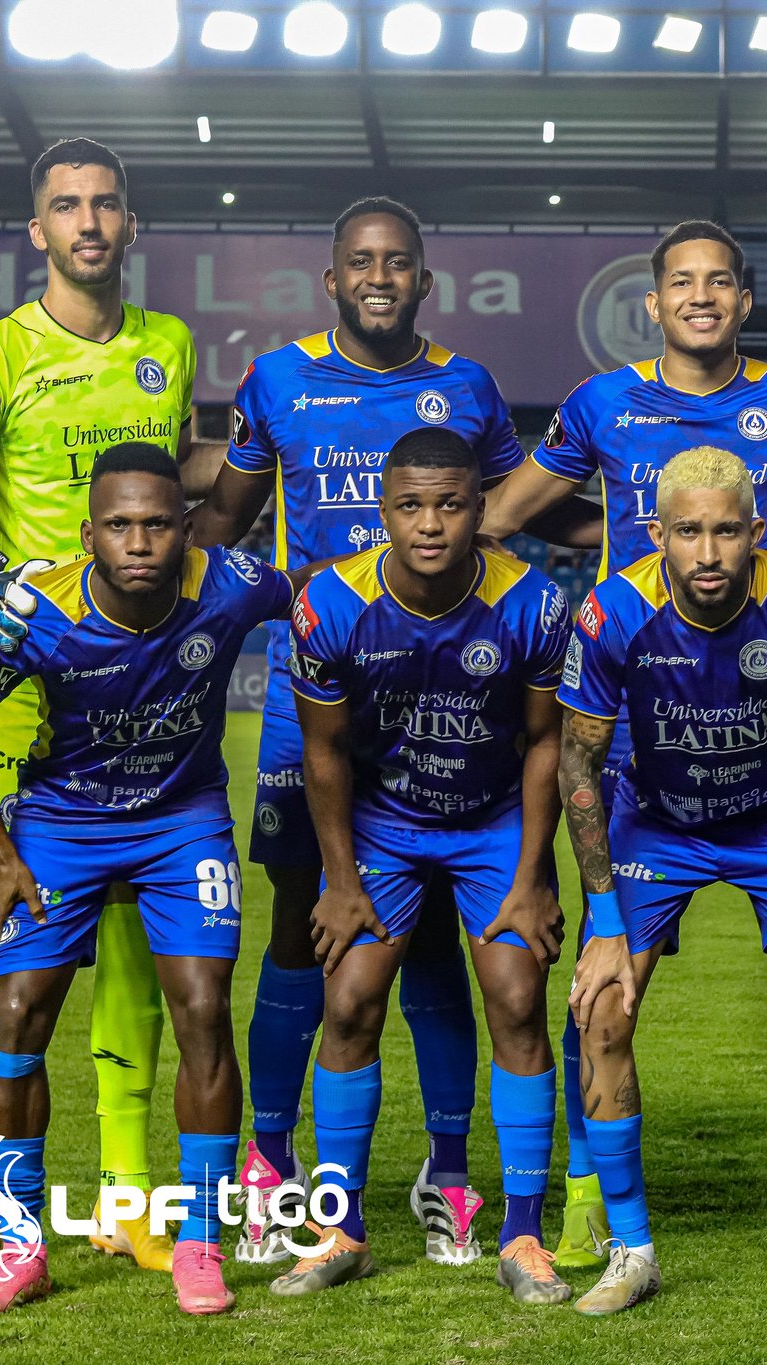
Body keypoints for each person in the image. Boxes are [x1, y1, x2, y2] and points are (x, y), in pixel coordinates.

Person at [478, 221, 767, 1268]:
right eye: (681, 281)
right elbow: (500, 516)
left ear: (743, 301)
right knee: (602, 985)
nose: (701, 296)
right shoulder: (601, 404)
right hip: (645, 731)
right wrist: (610, 538)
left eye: (720, 281)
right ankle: (589, 1191)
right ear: (654, 303)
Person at [188, 197, 591, 1266]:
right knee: (307, 928)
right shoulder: (277, 380)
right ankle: (271, 1160)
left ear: (423, 280)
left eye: (398, 261)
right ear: (333, 280)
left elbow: (519, 505)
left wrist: (633, 529)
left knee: (446, 944)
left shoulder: (467, 386)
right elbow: (223, 521)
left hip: (452, 686)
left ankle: (448, 1170)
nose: (379, 276)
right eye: (360, 261)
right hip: (321, 689)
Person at [0, 137, 222, 1275]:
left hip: (145, 671)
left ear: (130, 223)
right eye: (66, 206)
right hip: (35, 679)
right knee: (20, 943)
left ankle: (132, 1200)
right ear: (37, 228)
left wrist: (266, 452)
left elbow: (179, 479)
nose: (88, 222)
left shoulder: (167, 343)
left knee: (148, 945)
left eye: (105, 203)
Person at [0, 442, 296, 1316]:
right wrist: (1, 852)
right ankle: (20, 1248)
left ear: (186, 529)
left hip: (182, 822)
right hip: (62, 823)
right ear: (89, 536)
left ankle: (199, 1242)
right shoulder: (37, 611)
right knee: (17, 1017)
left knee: (202, 1009)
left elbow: (319, 594)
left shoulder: (230, 585)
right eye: (119, 526)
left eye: (158, 524)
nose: (139, 542)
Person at [558, 448, 767, 1314]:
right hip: (658, 823)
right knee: (601, 1005)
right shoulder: (614, 611)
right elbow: (579, 762)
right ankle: (631, 1251)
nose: (707, 552)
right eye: (688, 531)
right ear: (655, 532)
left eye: (727, 531)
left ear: (757, 531)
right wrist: (604, 921)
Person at [271, 429, 574, 1304]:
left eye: (449, 505)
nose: (431, 524)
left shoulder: (532, 603)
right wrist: (340, 881)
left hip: (492, 822)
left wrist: (532, 877)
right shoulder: (331, 603)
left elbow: (545, 743)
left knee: (516, 998)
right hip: (385, 824)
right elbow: (324, 752)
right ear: (385, 511)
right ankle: (341, 1230)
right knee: (349, 1000)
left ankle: (523, 1234)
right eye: (411, 506)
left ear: (480, 509)